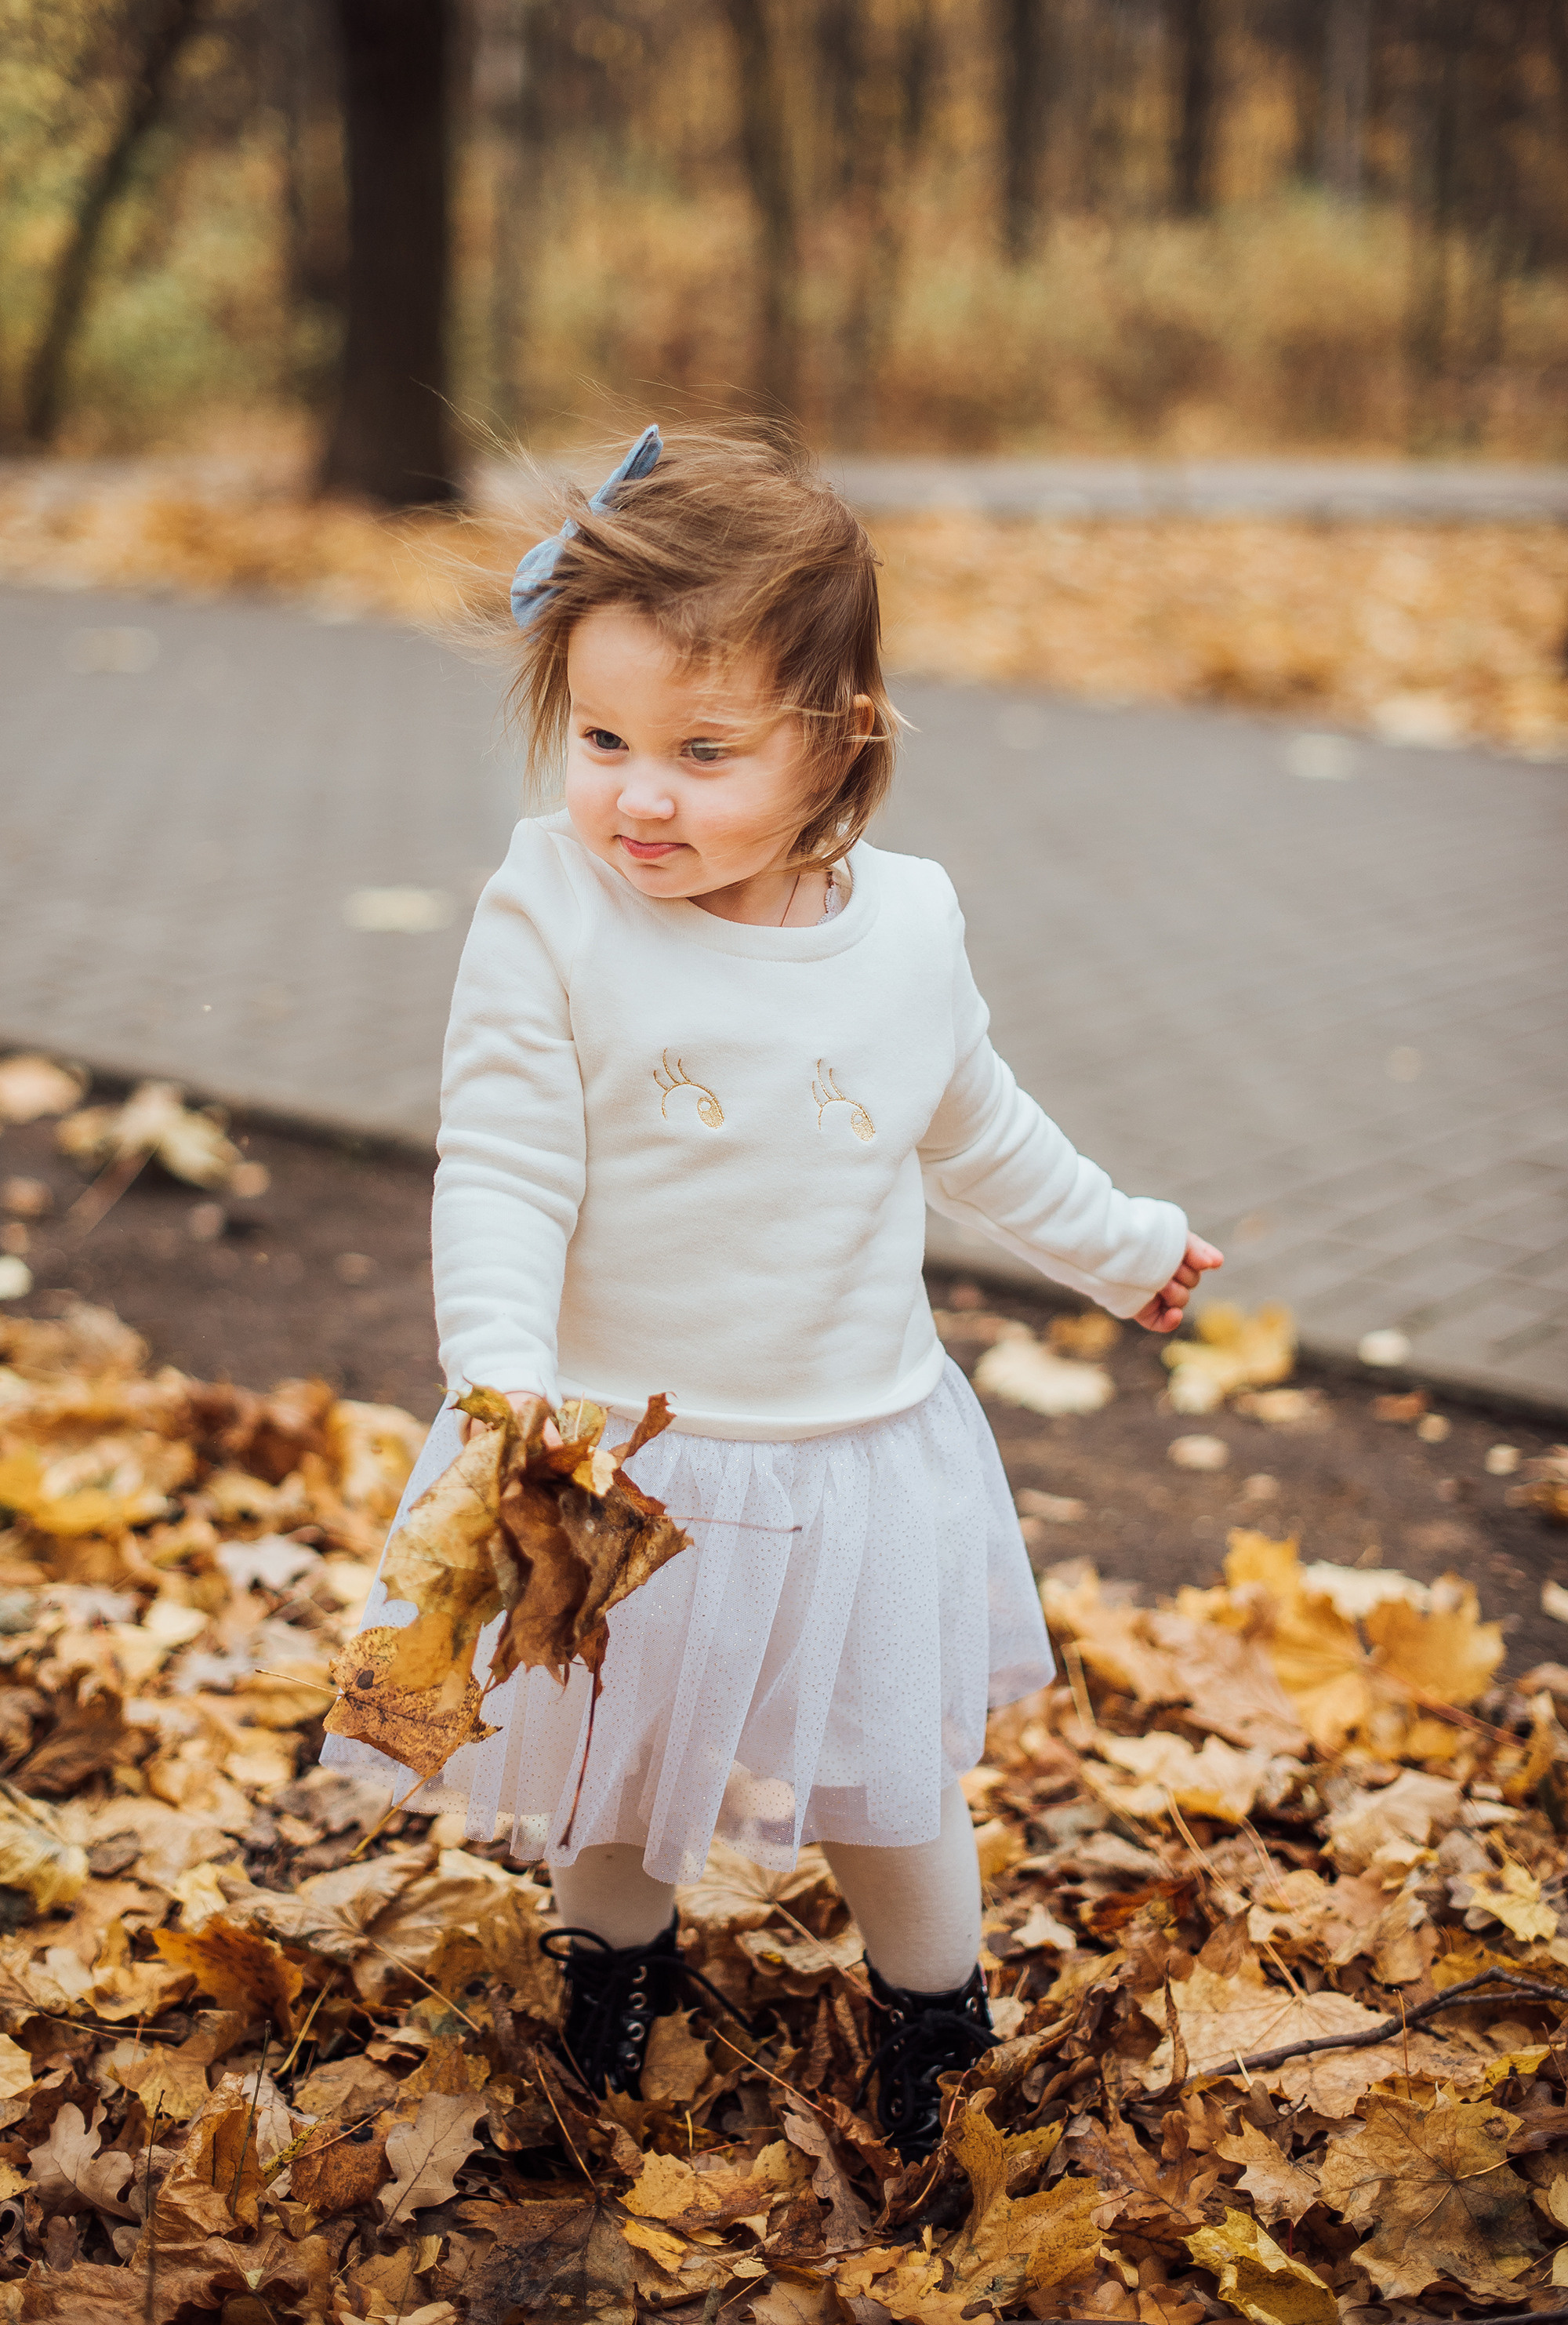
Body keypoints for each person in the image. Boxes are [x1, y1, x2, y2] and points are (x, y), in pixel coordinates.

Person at [323, 423, 1221, 2156]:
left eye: (702, 749)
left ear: (837, 748)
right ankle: (613, 1974)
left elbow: (976, 1124)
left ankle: (932, 2009)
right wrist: (503, 1378)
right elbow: (508, 1163)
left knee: (889, 1778)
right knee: (618, 1749)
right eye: (601, 739)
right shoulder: (551, 910)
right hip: (612, 1443)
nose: (637, 794)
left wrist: (1119, 1242)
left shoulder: (908, 930)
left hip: (848, 1448)